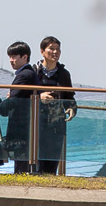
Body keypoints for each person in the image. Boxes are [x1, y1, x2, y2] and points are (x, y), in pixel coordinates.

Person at [27, 36, 75, 174]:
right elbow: (21, 95)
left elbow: (70, 97)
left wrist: (71, 108)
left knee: (51, 166)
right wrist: (39, 97)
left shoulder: (64, 74)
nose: (55, 52)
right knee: (35, 165)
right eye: (51, 49)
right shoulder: (33, 72)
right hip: (35, 125)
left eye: (58, 49)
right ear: (42, 51)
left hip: (56, 126)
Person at [3, 41, 38, 173]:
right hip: (26, 126)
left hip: (22, 126)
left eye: (14, 57)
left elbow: (13, 101)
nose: (11, 60)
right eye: (9, 57)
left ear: (24, 57)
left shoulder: (24, 75)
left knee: (21, 164)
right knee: (21, 162)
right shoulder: (27, 73)